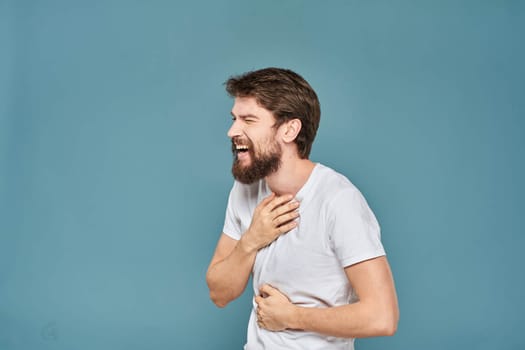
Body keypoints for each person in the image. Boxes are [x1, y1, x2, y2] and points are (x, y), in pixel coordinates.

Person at [206, 67, 399, 349]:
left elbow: (382, 317)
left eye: (249, 120)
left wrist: (292, 316)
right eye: (235, 119)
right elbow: (219, 293)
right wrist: (251, 241)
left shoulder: (338, 200)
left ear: (289, 129)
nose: (232, 131)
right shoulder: (246, 190)